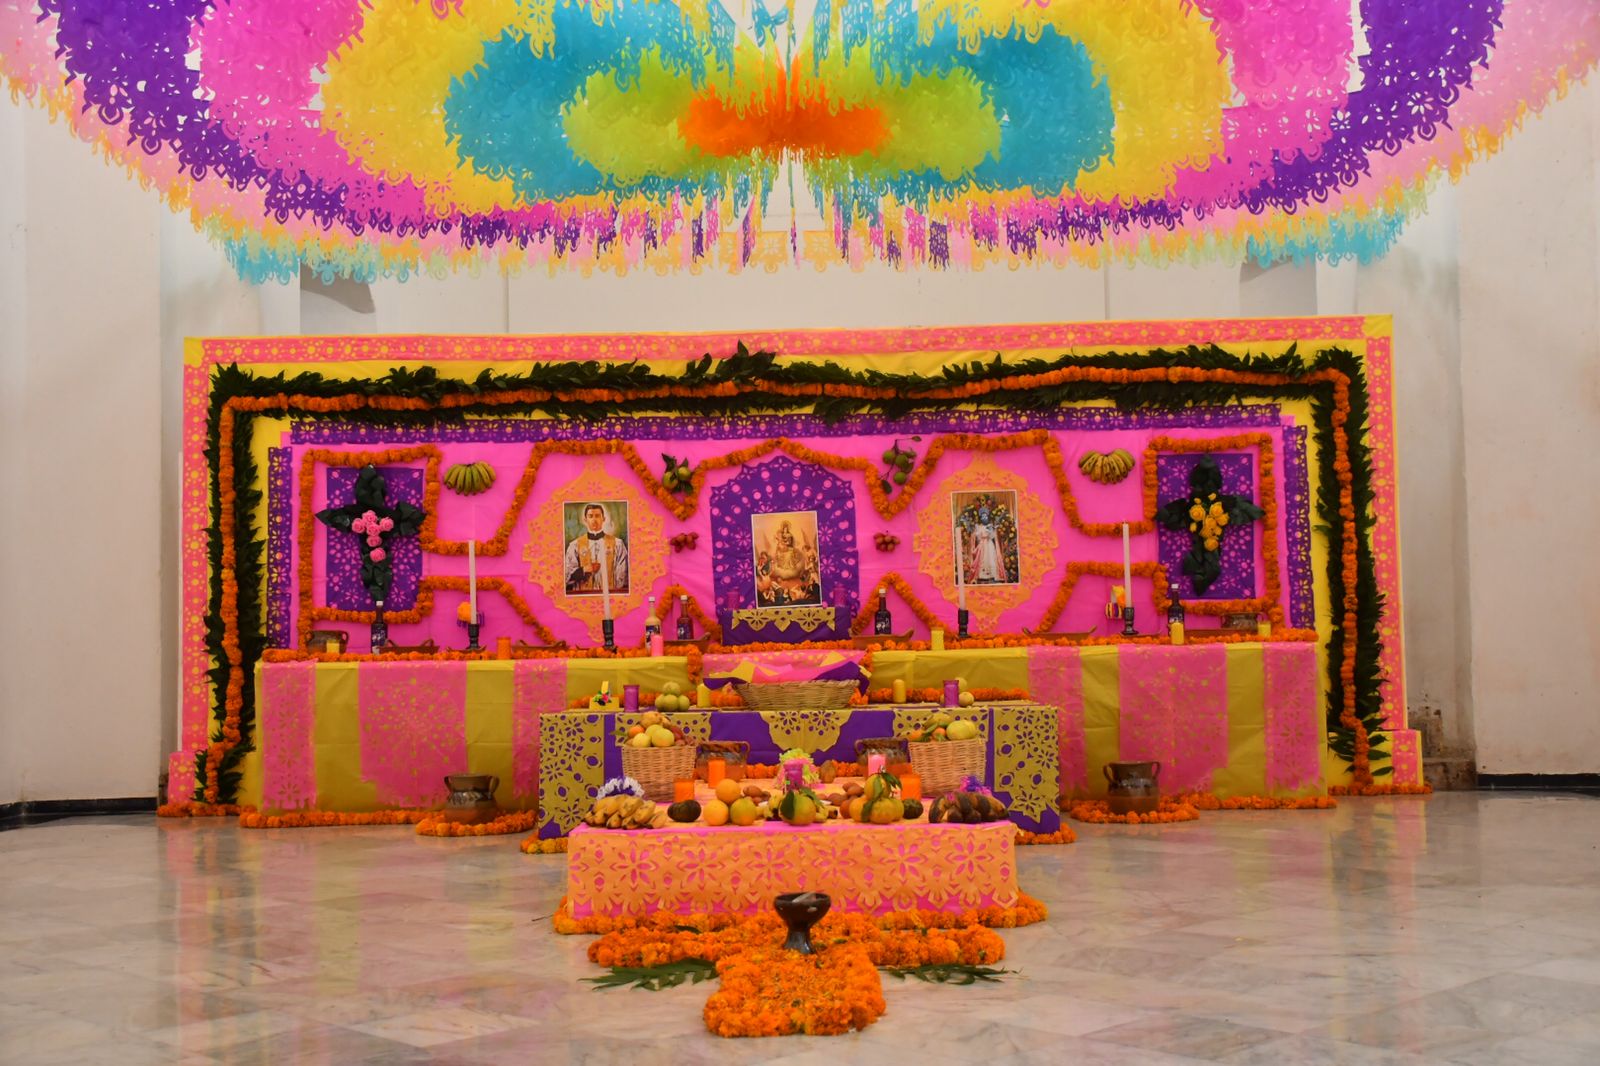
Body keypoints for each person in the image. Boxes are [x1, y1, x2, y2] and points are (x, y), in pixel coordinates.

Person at [564, 503, 629, 595]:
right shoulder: (575, 545)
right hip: (584, 596)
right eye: (590, 516)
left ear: (603, 519)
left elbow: (623, 574)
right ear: (585, 520)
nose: (594, 520)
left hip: (610, 595)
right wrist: (583, 570)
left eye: (597, 516)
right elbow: (566, 576)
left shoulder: (617, 544)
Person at [972, 506, 1005, 583]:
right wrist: (981, 536)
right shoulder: (979, 527)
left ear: (988, 517)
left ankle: (992, 574)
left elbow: (993, 536)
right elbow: (978, 537)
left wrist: (990, 531)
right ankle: (982, 575)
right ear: (981, 518)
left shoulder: (990, 526)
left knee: (990, 557)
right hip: (982, 544)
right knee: (982, 558)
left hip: (989, 543)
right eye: (983, 516)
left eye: (986, 516)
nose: (984, 518)